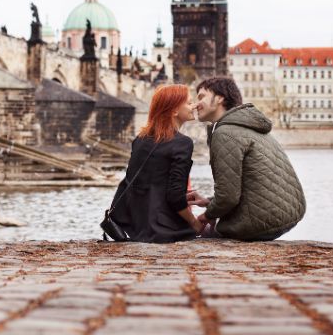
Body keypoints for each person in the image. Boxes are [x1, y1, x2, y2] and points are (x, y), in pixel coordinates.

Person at [189, 77, 306, 241]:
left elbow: (229, 197)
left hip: (260, 220)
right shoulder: (247, 126)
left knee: (196, 235)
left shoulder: (226, 132)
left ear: (220, 98)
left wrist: (206, 216)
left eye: (201, 97)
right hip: (286, 213)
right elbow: (246, 186)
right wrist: (209, 202)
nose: (196, 103)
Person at [107, 84, 203, 243]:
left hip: (136, 228)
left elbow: (144, 185)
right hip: (165, 230)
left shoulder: (140, 140)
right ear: (174, 111)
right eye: (188, 103)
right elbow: (174, 197)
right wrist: (194, 222)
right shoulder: (183, 143)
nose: (193, 106)